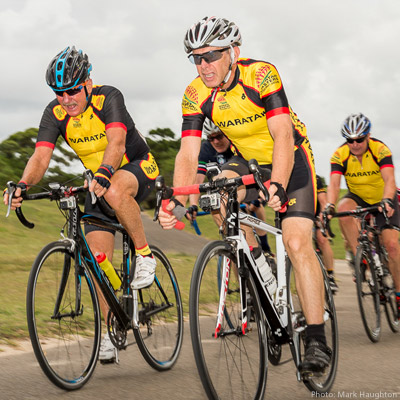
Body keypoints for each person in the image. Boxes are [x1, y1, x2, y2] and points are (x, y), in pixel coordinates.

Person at [158, 16, 331, 374]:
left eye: (212, 56)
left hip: (291, 158)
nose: (203, 65)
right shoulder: (195, 93)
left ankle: (316, 338)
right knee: (217, 188)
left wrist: (279, 184)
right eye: (196, 58)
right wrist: (174, 199)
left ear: (233, 51)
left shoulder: (261, 75)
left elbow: (283, 134)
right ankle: (254, 261)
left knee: (298, 242)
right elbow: (188, 154)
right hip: (248, 160)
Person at [3, 46, 160, 362]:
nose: (66, 98)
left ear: (88, 81)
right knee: (96, 259)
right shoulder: (55, 112)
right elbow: (41, 156)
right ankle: (107, 331)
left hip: (137, 167)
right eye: (58, 92)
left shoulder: (108, 98)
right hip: (99, 180)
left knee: (113, 190)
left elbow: (116, 143)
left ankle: (144, 255)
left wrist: (104, 172)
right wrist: (23, 184)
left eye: (72, 90)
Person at [325, 113, 400, 318]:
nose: (355, 144)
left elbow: (389, 179)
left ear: (368, 136)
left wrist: (386, 200)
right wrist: (329, 205)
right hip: (358, 197)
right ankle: (361, 257)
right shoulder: (339, 154)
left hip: (384, 196)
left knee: (392, 247)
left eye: (359, 139)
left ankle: (399, 293)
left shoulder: (380, 149)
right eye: (350, 140)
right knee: (342, 208)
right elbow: (334, 184)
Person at [188, 119, 273, 254]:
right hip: (225, 188)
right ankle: (236, 247)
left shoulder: (237, 144)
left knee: (256, 206)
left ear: (227, 133)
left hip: (249, 184)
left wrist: (259, 198)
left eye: (219, 136)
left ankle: (265, 247)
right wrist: (193, 204)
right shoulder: (206, 149)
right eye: (211, 138)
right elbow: (198, 179)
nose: (215, 141)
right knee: (217, 205)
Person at [315, 175, 337, 293]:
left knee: (322, 239)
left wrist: (322, 216)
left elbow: (323, 201)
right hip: (301, 213)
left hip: (317, 213)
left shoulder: (316, 179)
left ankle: (330, 275)